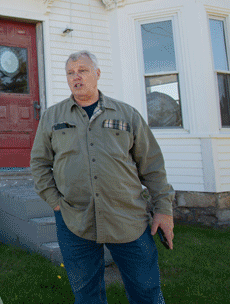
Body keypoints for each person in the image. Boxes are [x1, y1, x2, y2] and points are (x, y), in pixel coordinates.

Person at [30, 50, 175, 304]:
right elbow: (39, 164)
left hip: (128, 219)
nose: (77, 77)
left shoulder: (126, 115)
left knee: (147, 293)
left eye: (83, 71)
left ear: (97, 74)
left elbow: (152, 165)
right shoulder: (53, 117)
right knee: (87, 297)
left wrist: (164, 209)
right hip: (74, 220)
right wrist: (56, 202)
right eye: (70, 73)